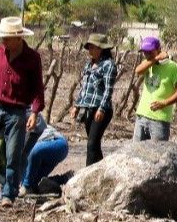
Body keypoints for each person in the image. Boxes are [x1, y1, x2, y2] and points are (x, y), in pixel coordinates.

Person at [0, 17, 45, 206]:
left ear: (18, 38)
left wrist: (35, 112)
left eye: (6, 38)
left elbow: (37, 88)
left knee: (13, 155)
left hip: (16, 110)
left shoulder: (32, 58)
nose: (2, 41)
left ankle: (8, 195)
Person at [72, 33, 117, 164]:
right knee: (94, 145)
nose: (90, 51)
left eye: (93, 47)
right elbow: (84, 88)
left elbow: (108, 90)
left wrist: (102, 109)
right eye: (89, 47)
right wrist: (77, 105)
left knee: (91, 143)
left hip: (101, 109)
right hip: (89, 109)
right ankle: (102, 172)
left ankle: (87, 173)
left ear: (101, 48)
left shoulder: (108, 65)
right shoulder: (89, 65)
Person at [132, 36, 177, 142]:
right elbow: (138, 71)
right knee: (136, 154)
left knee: (157, 155)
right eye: (144, 52)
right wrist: (155, 59)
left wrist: (164, 103)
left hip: (159, 120)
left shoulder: (173, 68)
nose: (147, 55)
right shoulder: (148, 64)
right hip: (142, 116)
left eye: (150, 52)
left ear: (159, 50)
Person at [22, 116, 69, 194]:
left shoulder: (28, 113)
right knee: (33, 183)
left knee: (34, 151)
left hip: (56, 142)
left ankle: (26, 187)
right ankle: (65, 178)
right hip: (40, 155)